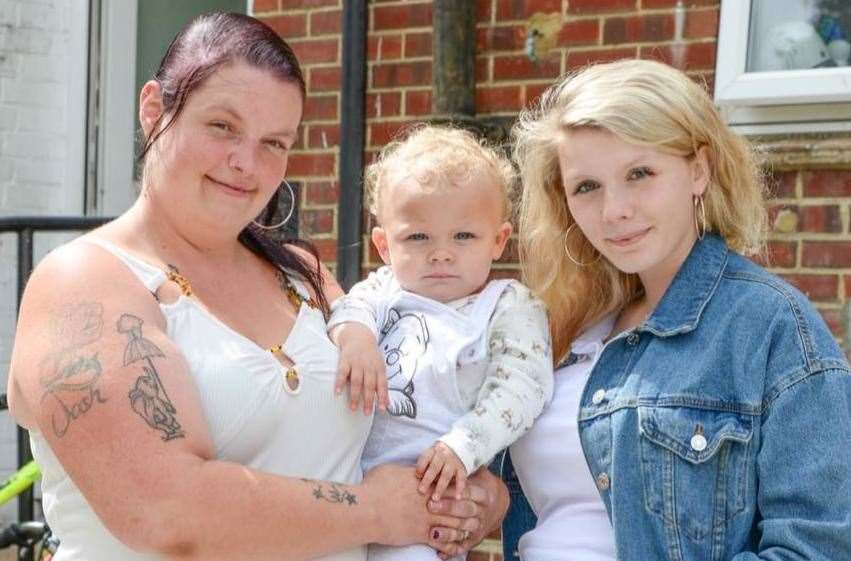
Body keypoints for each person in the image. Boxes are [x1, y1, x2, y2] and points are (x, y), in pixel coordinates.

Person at [5, 13, 507, 561]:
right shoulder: (84, 282)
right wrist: (380, 512)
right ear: (154, 110)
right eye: (223, 126)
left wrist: (476, 498)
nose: (246, 163)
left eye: (274, 142)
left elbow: (408, 423)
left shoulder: (301, 274)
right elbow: (166, 511)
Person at [503, 58, 851, 561]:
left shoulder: (771, 326)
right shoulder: (561, 327)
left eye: (639, 174)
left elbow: (817, 549)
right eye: (587, 186)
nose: (614, 210)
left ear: (698, 170)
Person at [327, 126, 554, 561]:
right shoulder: (382, 290)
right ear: (383, 244)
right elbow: (348, 309)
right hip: (346, 486)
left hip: (430, 492)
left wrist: (463, 446)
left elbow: (523, 387)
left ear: (498, 240)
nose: (441, 253)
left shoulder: (505, 306)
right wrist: (354, 336)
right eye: (418, 237)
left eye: (463, 236)